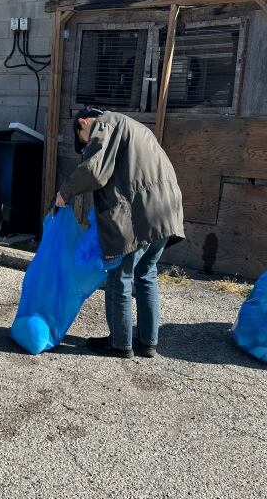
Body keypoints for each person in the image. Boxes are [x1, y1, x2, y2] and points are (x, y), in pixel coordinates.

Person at [55, 107, 185, 359]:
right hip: (168, 207)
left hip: (142, 210)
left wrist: (65, 191)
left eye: (83, 140)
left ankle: (120, 343)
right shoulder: (133, 127)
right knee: (147, 274)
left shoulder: (105, 124)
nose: (85, 145)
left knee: (120, 277)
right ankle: (148, 342)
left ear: (83, 122)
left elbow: (94, 171)